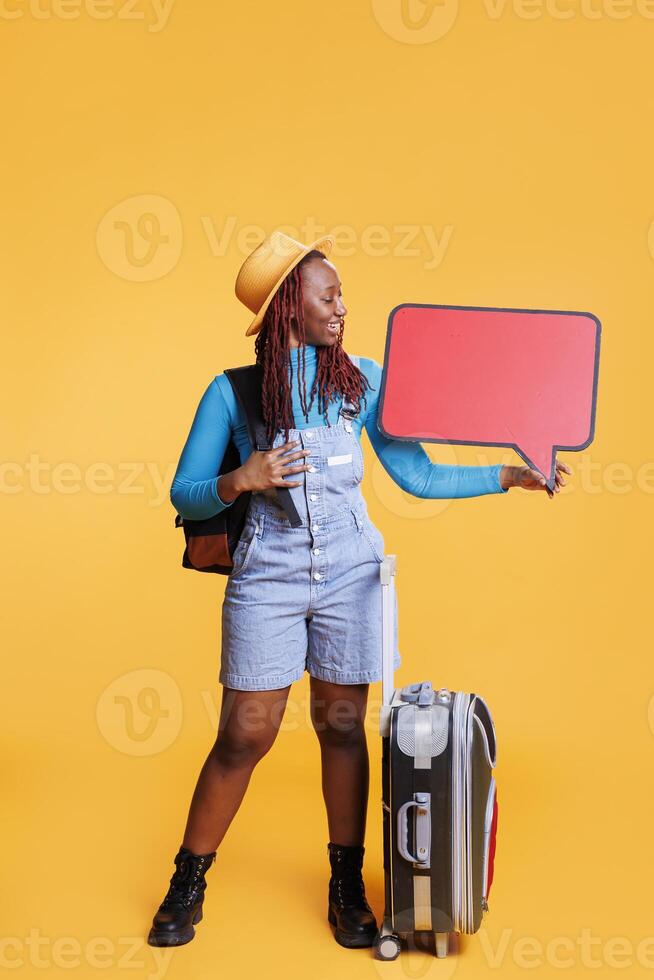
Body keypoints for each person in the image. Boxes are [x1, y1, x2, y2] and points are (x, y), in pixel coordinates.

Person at [148, 230, 570, 950]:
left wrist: (507, 475)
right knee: (244, 733)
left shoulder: (363, 382)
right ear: (289, 310)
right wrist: (241, 478)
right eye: (329, 296)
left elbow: (419, 476)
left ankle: (345, 883)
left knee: (342, 726)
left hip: (352, 572)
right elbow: (185, 495)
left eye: (342, 294)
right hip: (268, 573)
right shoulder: (234, 391)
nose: (343, 307)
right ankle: (188, 876)